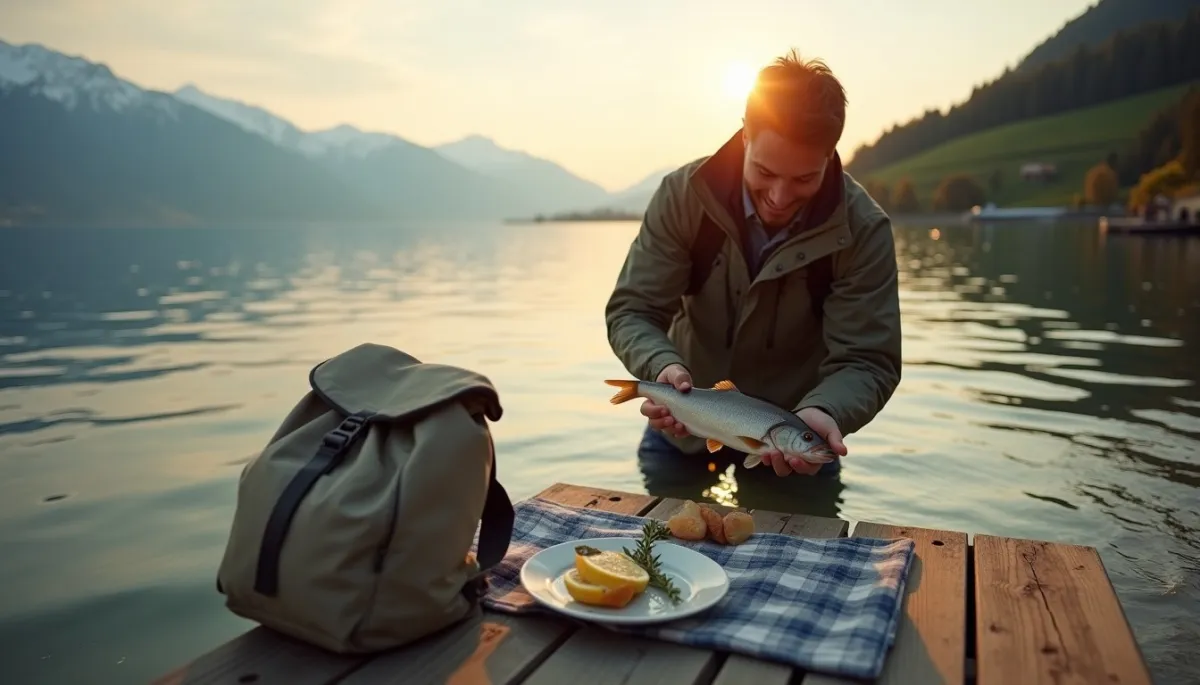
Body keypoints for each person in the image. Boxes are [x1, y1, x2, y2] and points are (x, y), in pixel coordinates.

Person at [604, 50, 902, 487]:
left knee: (803, 555)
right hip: (684, 432)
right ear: (745, 136)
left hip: (799, 437)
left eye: (804, 179)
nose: (780, 197)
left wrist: (826, 411)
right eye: (765, 171)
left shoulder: (865, 230)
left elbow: (868, 359)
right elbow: (633, 310)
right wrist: (660, 365)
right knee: (660, 548)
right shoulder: (682, 196)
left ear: (831, 154)